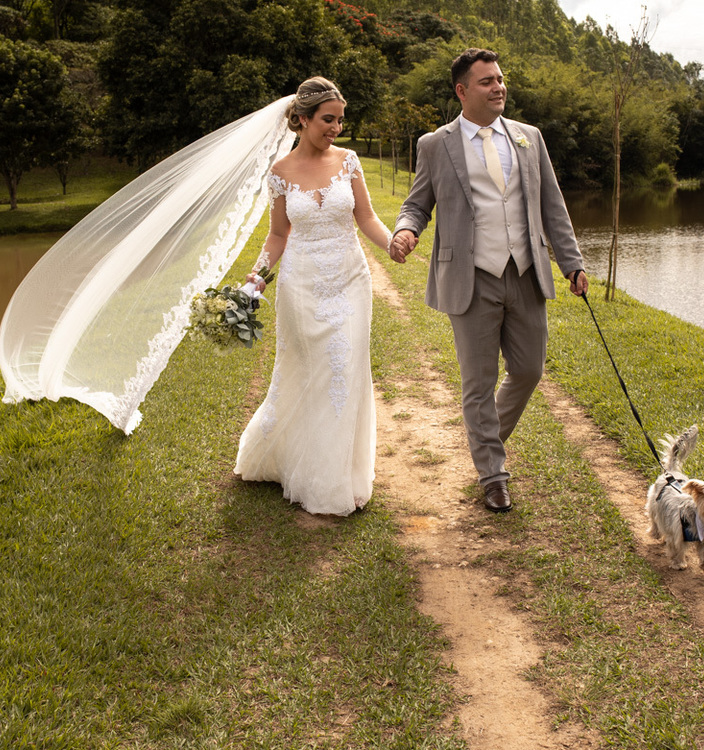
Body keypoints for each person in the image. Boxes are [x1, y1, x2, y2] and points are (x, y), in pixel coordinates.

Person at [390, 48, 588, 513]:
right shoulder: (435, 144)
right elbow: (419, 203)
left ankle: (484, 439)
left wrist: (571, 262)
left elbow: (552, 206)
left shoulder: (528, 137)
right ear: (462, 91)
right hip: (470, 277)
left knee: (528, 370)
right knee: (478, 383)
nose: (498, 86)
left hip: (525, 272)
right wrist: (406, 229)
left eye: (500, 79)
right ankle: (493, 475)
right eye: (486, 81)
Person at [234, 77, 393, 516]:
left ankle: (339, 475)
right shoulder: (281, 173)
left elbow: (367, 217)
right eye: (328, 119)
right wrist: (257, 277)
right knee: (311, 371)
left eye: (340, 119)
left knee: (344, 368)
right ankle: (295, 459)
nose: (336, 128)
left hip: (350, 280)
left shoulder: (349, 162)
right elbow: (278, 234)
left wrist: (392, 243)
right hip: (301, 284)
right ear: (302, 119)